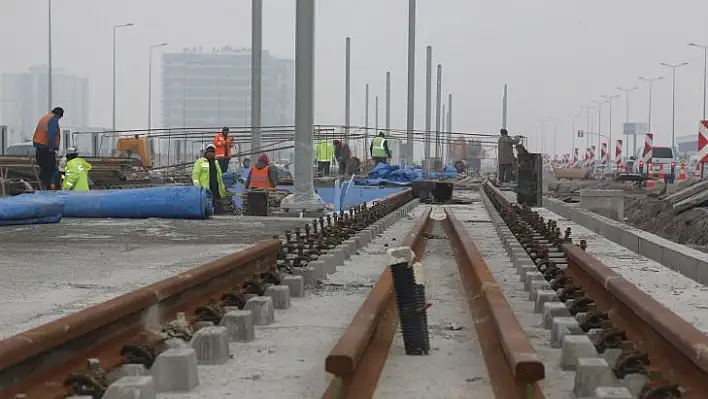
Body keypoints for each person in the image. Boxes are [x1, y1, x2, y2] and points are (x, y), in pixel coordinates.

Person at [33, 107, 64, 190]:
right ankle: (45, 187)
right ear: (59, 115)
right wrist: (52, 148)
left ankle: (40, 186)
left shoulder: (45, 117)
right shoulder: (53, 120)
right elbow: (52, 135)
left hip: (39, 148)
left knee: (45, 169)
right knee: (50, 169)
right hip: (47, 148)